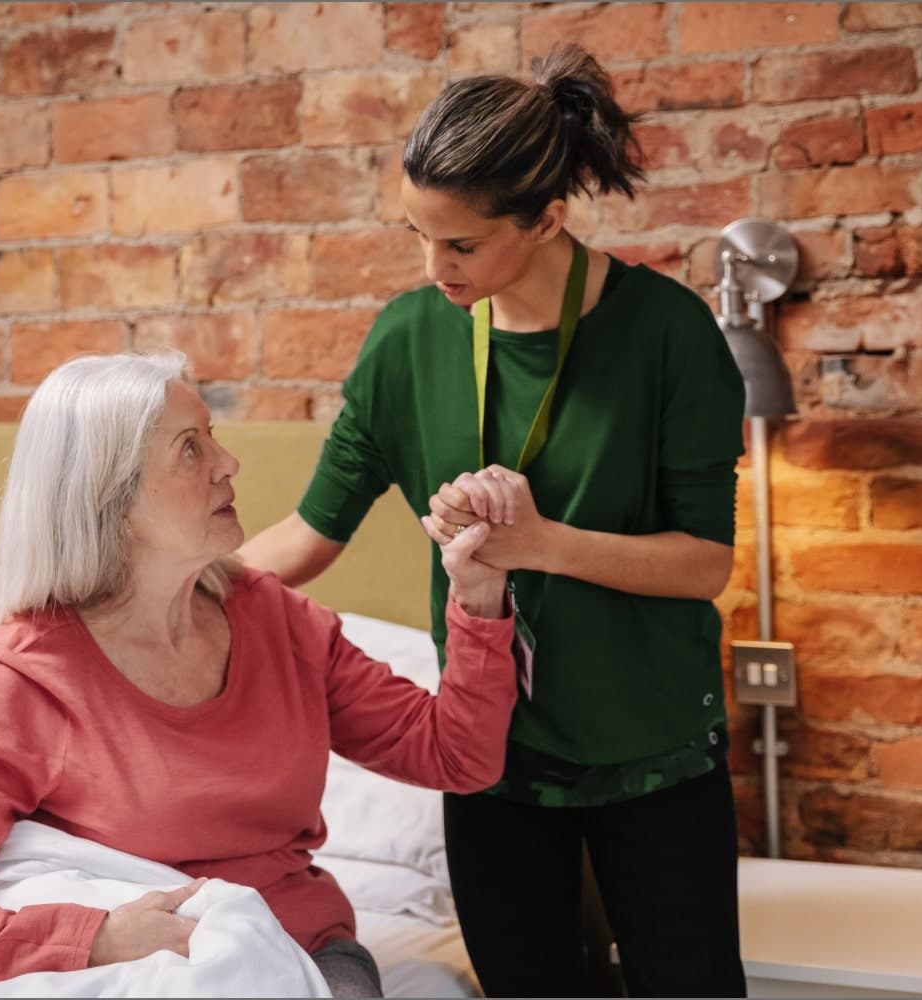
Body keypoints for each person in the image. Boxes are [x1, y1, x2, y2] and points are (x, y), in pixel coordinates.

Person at [239, 44, 748, 999]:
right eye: (418, 236)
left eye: (461, 246)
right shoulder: (406, 340)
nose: (433, 268)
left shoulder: (669, 334)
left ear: (546, 219)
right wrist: (148, 597)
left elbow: (703, 565)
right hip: (491, 767)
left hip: (655, 757)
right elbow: (306, 537)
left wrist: (540, 545)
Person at [0, 351, 518, 998]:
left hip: (300, 950)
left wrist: (479, 594)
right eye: (191, 449)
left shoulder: (276, 620)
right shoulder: (29, 676)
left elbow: (456, 756)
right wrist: (98, 938)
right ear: (112, 498)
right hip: (135, 970)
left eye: (211, 437)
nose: (229, 463)